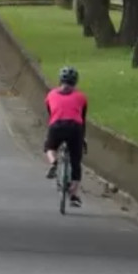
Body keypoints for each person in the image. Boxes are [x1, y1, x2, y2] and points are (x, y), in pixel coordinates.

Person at [44, 66, 88, 207]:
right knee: (76, 162)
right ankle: (73, 195)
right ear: (75, 82)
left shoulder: (51, 94)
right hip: (75, 128)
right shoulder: (81, 97)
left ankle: (53, 162)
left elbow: (51, 113)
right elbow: (82, 119)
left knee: (49, 147)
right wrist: (83, 138)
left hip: (56, 125)